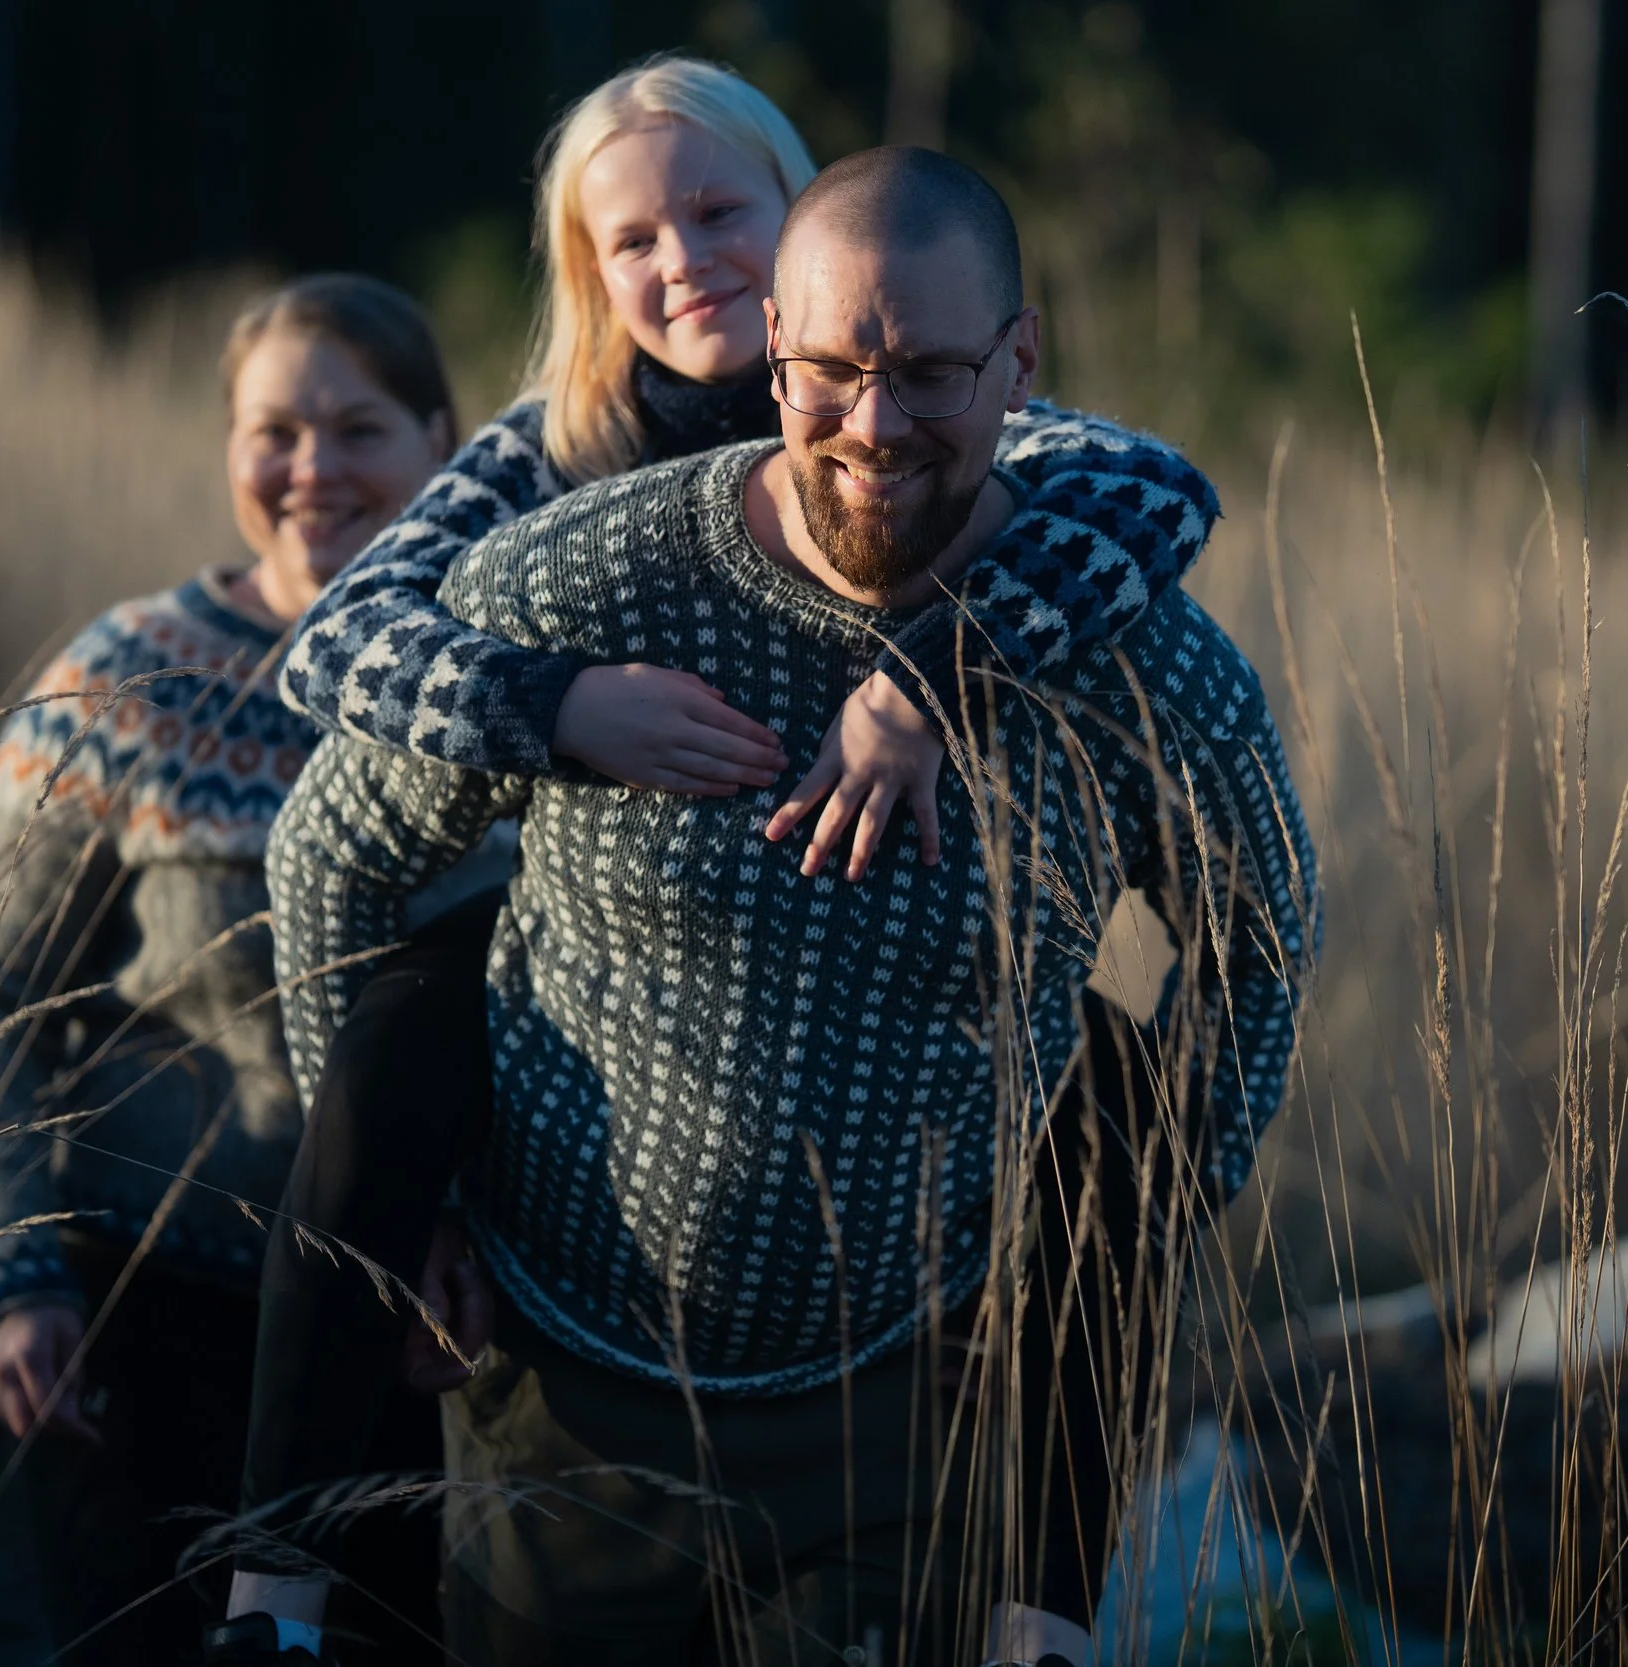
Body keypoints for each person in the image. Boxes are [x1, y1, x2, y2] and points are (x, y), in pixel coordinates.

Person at [224, 56, 1231, 1663]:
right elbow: (342, 646)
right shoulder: (551, 468)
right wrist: (561, 706)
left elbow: (1155, 489)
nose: (679, 258)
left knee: (1113, 1071)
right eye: (631, 241)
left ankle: (1050, 1598)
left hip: (872, 1272)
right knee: (413, 1013)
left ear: (800, 215)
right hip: (578, 1078)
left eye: (716, 210)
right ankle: (270, 1588)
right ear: (591, 279)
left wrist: (934, 672)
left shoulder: (949, 419)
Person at [0, 275, 480, 1665]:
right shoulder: (129, 680)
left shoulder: (511, 686)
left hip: (425, 1336)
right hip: (143, 1313)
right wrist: (17, 1276)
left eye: (357, 428)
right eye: (274, 431)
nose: (312, 470)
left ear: (440, 440)